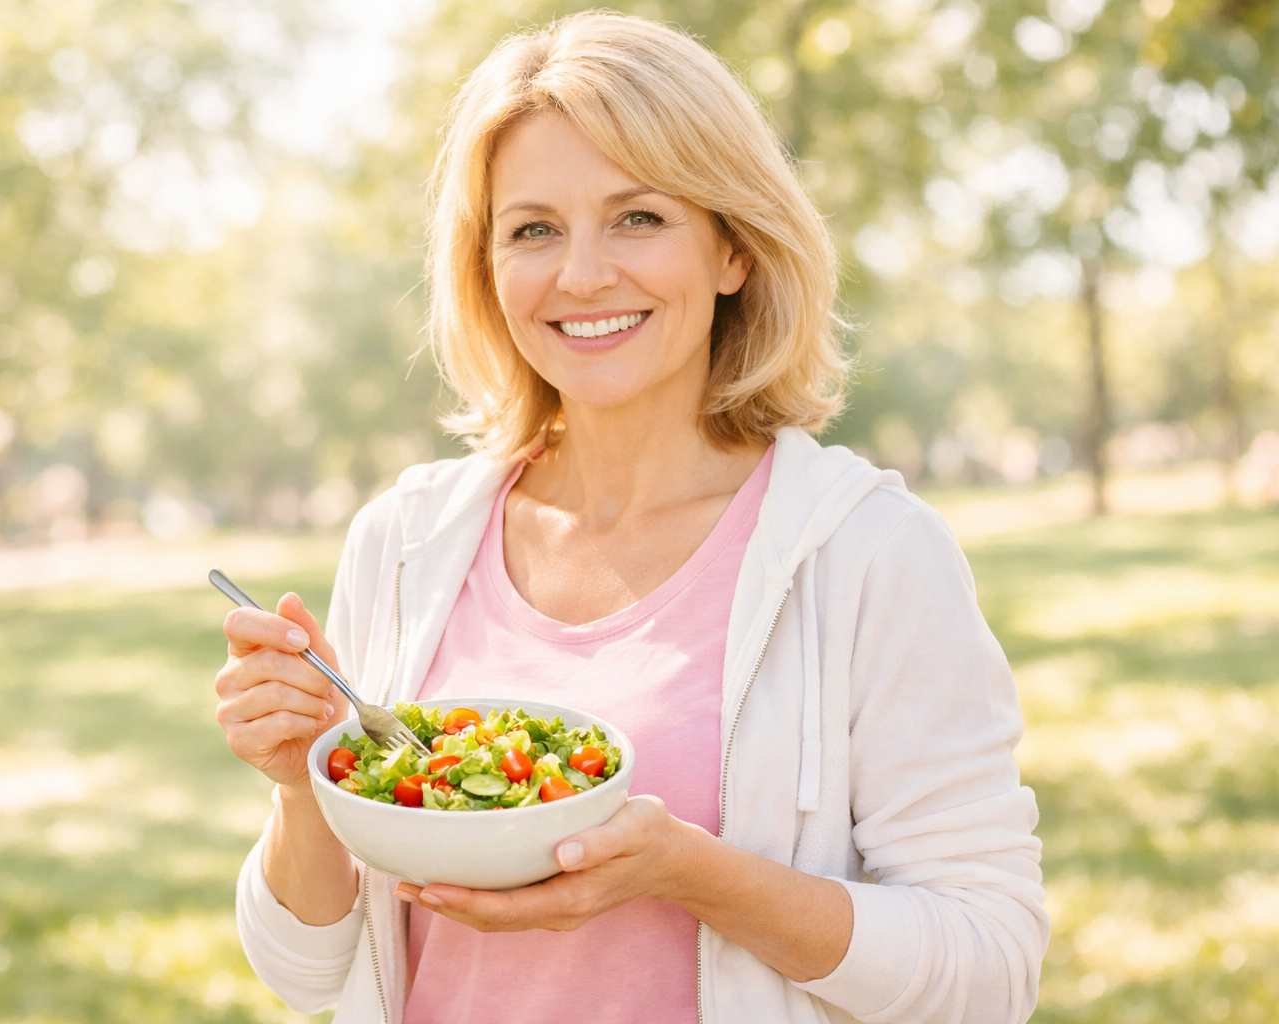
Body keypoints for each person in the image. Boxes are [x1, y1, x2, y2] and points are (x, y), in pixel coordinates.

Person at [213, 12, 1047, 1023]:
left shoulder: (866, 553)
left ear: (734, 249)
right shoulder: (403, 542)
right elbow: (307, 972)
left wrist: (689, 873)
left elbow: (990, 968)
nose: (582, 274)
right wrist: (304, 784)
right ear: (487, 269)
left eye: (639, 217)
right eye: (533, 230)